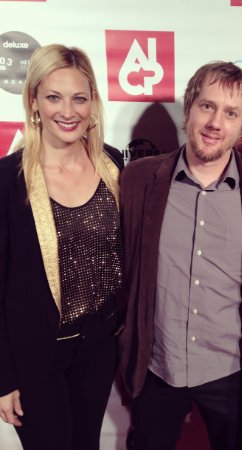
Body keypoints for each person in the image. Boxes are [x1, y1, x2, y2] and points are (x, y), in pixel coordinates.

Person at [119, 61, 242, 450]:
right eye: (207, 106)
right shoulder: (139, 179)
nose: (215, 123)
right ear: (188, 109)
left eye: (231, 113)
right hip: (157, 366)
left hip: (233, 371)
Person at [0, 44, 124, 450]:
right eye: (54, 97)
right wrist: (3, 378)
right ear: (34, 100)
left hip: (98, 348)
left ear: (93, 103)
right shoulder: (7, 178)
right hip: (36, 355)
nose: (68, 111)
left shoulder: (112, 165)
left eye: (79, 98)